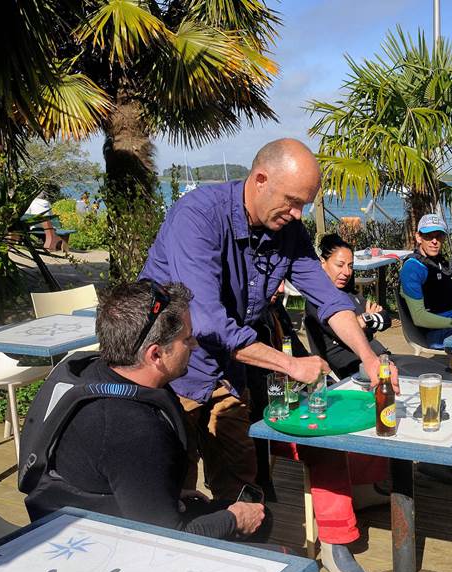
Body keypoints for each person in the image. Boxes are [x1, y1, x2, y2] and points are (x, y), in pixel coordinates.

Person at [139, 138, 397, 502]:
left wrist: (369, 359)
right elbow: (207, 321)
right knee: (170, 492)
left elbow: (330, 300)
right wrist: (290, 365)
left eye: (304, 205)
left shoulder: (289, 232)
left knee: (244, 489)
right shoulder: (197, 215)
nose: (297, 215)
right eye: (292, 202)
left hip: (228, 375)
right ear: (260, 179)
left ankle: (248, 548)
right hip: (167, 372)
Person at [21, 282, 266, 541]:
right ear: (156, 354)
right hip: (99, 542)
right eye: (187, 339)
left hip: (88, 510)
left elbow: (114, 468)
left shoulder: (92, 370)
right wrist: (234, 519)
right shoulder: (134, 429)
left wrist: (155, 491)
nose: (194, 345)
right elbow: (163, 538)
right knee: (259, 523)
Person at [305, 234, 391, 378]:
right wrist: (365, 321)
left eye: (350, 266)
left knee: (424, 368)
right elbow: (343, 331)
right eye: (340, 265)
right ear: (322, 262)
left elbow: (386, 319)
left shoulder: (351, 294)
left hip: (379, 358)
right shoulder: (316, 302)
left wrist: (364, 319)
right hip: (351, 370)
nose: (347, 272)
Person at [399, 213, 452, 348]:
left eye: (439, 236)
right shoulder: (412, 268)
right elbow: (419, 317)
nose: (434, 241)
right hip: (433, 333)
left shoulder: (441, 263)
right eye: (428, 236)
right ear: (419, 237)